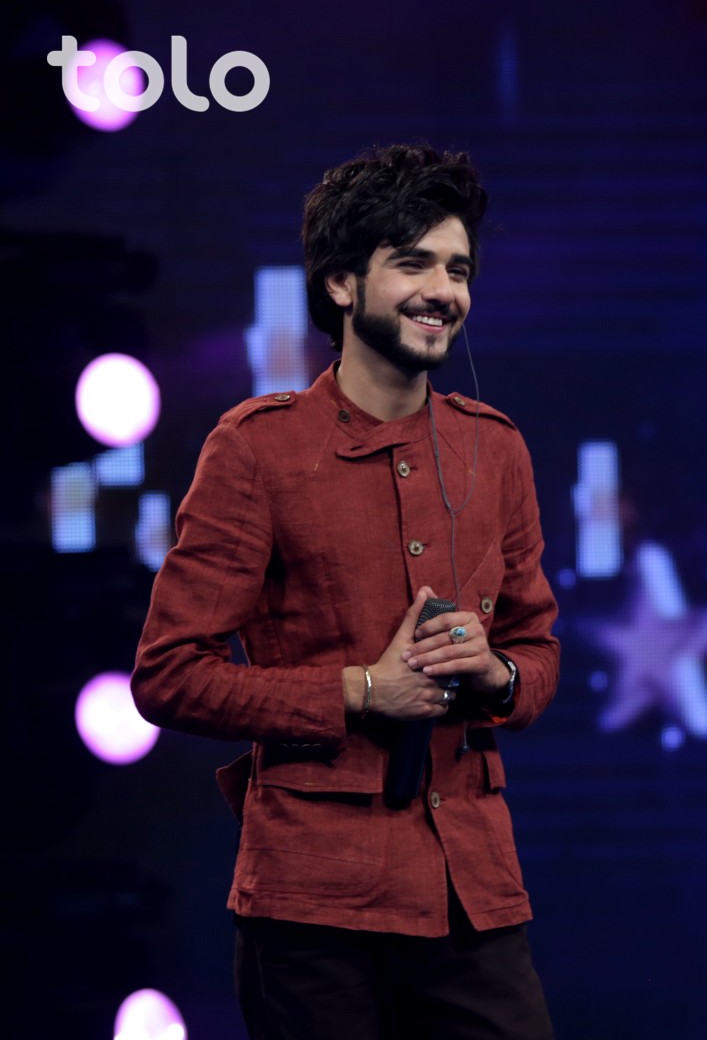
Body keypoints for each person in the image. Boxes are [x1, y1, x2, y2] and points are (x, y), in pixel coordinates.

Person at [132, 144, 560, 1039]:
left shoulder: (496, 448)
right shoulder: (257, 449)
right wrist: (363, 690)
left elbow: (537, 652)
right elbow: (168, 675)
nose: (442, 291)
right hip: (314, 906)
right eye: (413, 263)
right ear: (340, 284)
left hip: (472, 894)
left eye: (458, 269)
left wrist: (496, 674)